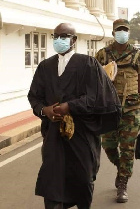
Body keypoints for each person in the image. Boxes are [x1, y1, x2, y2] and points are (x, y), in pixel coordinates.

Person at [28, 23, 121, 209]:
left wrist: (69, 106)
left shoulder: (88, 64)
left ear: (74, 39)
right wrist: (44, 110)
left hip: (82, 133)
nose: (59, 40)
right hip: (54, 134)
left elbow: (97, 97)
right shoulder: (45, 66)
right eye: (56, 36)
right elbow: (34, 96)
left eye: (64, 36)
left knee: (82, 179)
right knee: (52, 179)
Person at [95, 19, 140, 203]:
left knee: (127, 149)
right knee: (108, 146)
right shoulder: (102, 55)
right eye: (119, 30)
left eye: (125, 30)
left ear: (129, 32)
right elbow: (94, 82)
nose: (122, 33)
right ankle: (121, 168)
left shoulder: (137, 55)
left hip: (131, 110)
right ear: (113, 33)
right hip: (109, 110)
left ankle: (123, 183)